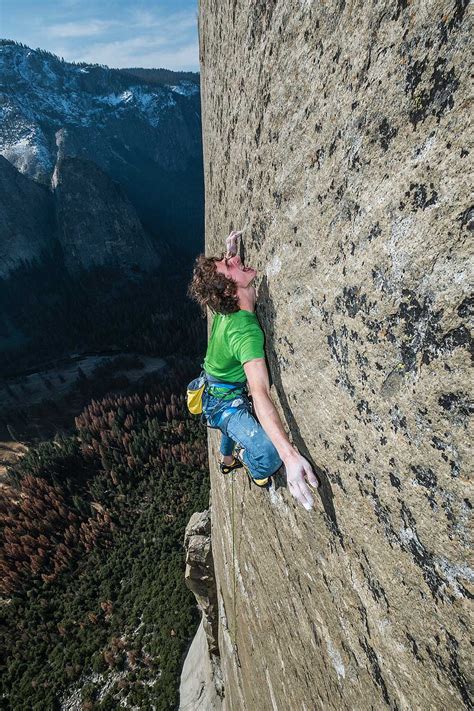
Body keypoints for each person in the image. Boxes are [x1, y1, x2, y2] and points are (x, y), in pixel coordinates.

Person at [187, 230, 319, 511]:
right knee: (267, 453)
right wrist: (289, 456)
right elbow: (259, 395)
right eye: (229, 266)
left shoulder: (224, 304)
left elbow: (222, 279)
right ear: (228, 291)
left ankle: (226, 460)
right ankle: (253, 469)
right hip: (222, 402)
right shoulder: (245, 334)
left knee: (231, 424)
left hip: (218, 386)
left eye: (228, 260)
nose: (235, 260)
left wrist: (229, 253)